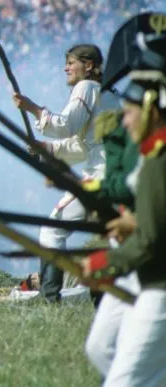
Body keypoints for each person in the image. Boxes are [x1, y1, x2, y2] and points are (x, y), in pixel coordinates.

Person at [81, 34, 166, 386]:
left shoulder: (157, 160)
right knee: (102, 350)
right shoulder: (152, 154)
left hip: (159, 282)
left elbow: (150, 240)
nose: (125, 121)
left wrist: (102, 263)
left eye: (130, 113)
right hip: (149, 278)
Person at [13, 44, 117, 302]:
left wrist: (33, 109)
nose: (65, 68)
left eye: (71, 63)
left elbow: (66, 126)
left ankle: (50, 299)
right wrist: (46, 148)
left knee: (52, 230)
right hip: (116, 175)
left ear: (89, 66)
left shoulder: (86, 87)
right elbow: (84, 146)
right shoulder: (108, 93)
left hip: (100, 177)